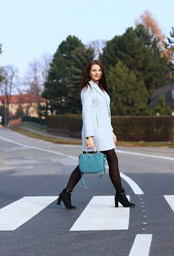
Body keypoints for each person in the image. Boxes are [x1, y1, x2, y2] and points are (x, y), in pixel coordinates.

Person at [57, 60, 135, 209]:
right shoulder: (87, 90)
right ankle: (120, 194)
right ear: (88, 72)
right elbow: (86, 114)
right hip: (95, 132)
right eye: (94, 70)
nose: (97, 73)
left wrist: (111, 131)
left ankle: (66, 193)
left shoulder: (101, 89)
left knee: (86, 164)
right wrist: (89, 136)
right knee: (110, 159)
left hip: (104, 131)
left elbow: (106, 114)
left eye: (99, 70)